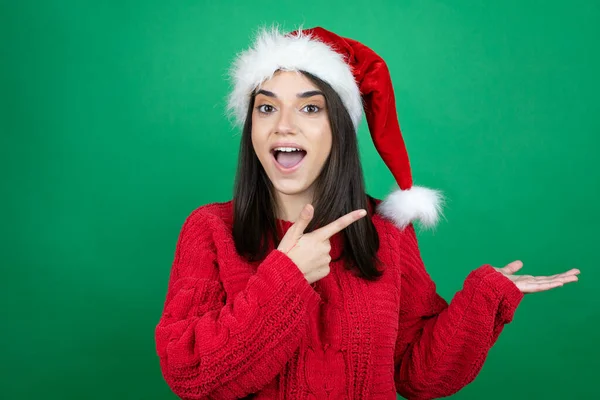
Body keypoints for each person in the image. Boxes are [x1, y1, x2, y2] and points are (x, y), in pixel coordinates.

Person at [154, 26, 580, 400]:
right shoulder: (210, 229)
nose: (283, 125)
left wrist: (485, 296)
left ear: (339, 127)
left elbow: (419, 376)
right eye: (266, 107)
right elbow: (190, 375)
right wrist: (287, 277)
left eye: (309, 107)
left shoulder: (387, 230)